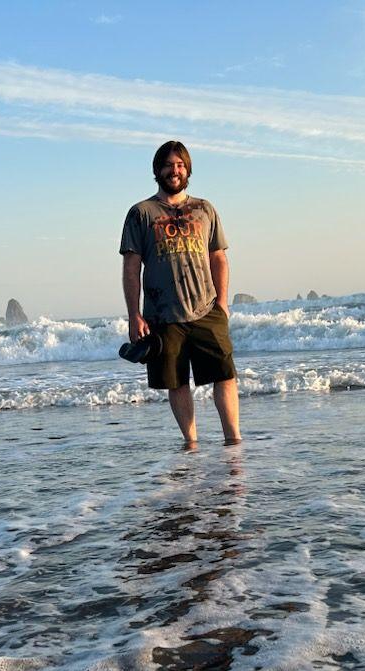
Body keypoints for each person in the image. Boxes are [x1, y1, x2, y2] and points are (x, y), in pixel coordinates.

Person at [119, 140, 241, 448]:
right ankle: (191, 444)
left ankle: (234, 441)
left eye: (180, 165)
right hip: (162, 315)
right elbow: (132, 267)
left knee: (224, 375)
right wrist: (134, 314)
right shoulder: (141, 213)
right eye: (169, 165)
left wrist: (222, 303)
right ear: (157, 170)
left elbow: (218, 257)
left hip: (206, 309)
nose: (175, 170)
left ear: (187, 170)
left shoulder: (204, 209)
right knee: (177, 383)